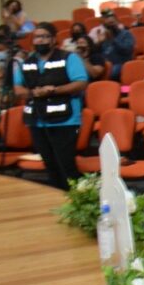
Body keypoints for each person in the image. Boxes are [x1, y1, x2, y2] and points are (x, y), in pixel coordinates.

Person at [13, 23, 88, 190]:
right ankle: (58, 199)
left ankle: (78, 200)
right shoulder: (27, 61)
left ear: (54, 39)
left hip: (65, 120)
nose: (41, 40)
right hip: (37, 120)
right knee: (49, 164)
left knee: (66, 164)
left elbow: (81, 83)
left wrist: (55, 90)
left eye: (45, 36)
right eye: (37, 37)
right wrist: (33, 93)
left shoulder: (68, 57)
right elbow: (18, 88)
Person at [93, 8, 135, 80]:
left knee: (113, 72)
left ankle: (123, 90)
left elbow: (127, 50)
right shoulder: (103, 36)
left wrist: (113, 40)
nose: (110, 22)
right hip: (105, 65)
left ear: (117, 22)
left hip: (122, 63)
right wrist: (99, 43)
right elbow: (96, 55)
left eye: (112, 21)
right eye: (108, 22)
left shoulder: (126, 34)